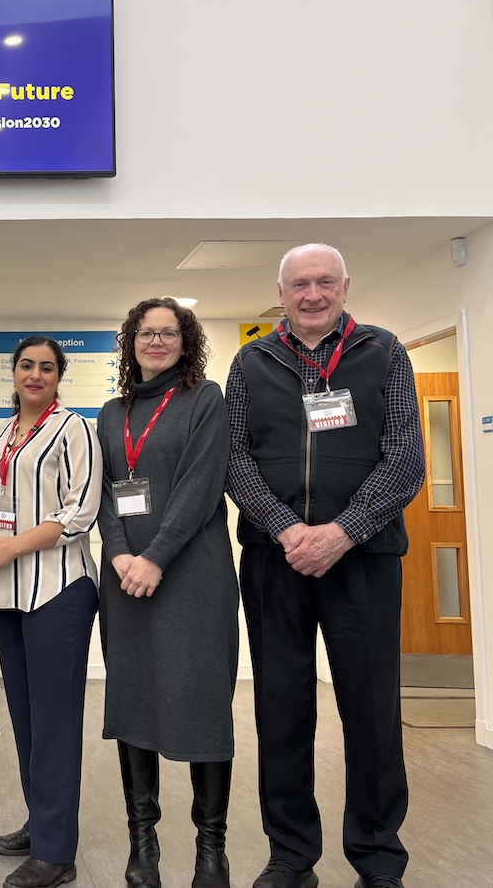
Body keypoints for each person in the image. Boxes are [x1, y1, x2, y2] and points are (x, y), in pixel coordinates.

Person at [226, 244, 425, 888]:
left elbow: (406, 458)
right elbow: (235, 458)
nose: (313, 295)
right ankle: (290, 855)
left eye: (325, 282)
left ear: (345, 285)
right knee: (281, 709)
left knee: (372, 710)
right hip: (274, 559)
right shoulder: (251, 361)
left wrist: (343, 531)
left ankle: (377, 856)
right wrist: (287, 528)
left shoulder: (384, 351)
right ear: (280, 292)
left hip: (364, 557)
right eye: (300, 284)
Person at [96, 298, 239, 888]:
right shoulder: (111, 413)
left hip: (194, 577)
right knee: (133, 702)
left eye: (169, 332)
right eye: (146, 333)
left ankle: (211, 851)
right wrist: (119, 553)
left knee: (203, 704)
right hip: (125, 579)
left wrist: (155, 557)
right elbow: (103, 491)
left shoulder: (205, 400)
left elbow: (201, 486)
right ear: (131, 342)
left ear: (186, 341)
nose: (156, 341)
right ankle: (143, 846)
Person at [0, 335, 102, 888]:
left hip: (58, 592)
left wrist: (11, 548)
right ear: (14, 372)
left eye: (47, 367)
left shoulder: (75, 429)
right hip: (5, 592)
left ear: (59, 376)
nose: (35, 375)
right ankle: (42, 820)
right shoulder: (1, 433)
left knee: (55, 721)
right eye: (27, 365)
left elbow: (80, 512)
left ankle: (56, 853)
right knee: (25, 717)